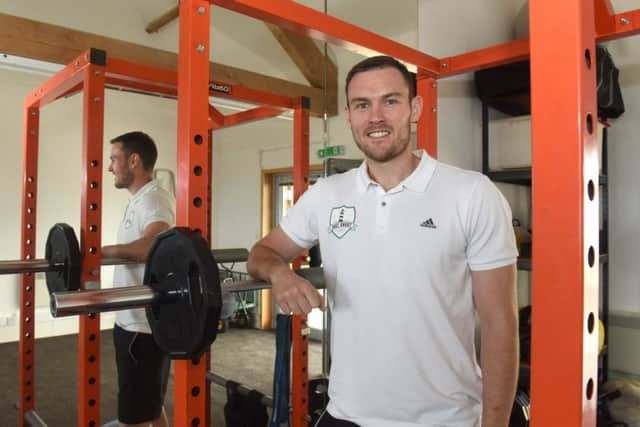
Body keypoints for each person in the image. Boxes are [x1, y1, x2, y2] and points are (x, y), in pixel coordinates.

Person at [247, 56, 519, 427]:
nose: (375, 117)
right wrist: (280, 274)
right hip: (345, 415)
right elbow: (262, 252)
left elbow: (499, 322)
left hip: (445, 419)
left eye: (390, 101)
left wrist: (496, 423)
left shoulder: (471, 194)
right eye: (363, 105)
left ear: (415, 108)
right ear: (349, 115)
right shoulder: (326, 194)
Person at [102, 131, 175, 427]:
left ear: (134, 161)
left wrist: (104, 252)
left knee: (132, 415)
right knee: (150, 406)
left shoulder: (154, 198)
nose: (110, 167)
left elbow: (151, 246)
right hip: (134, 320)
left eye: (114, 159)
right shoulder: (140, 199)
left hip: (141, 328)